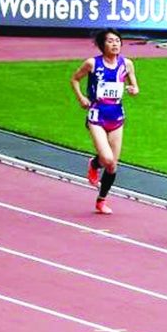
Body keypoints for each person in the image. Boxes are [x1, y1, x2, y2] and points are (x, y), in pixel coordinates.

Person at [70, 29, 138, 215]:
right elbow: (75, 79)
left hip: (116, 116)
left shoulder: (127, 64)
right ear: (102, 45)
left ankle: (101, 200)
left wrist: (133, 89)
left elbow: (134, 85)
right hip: (97, 115)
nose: (115, 44)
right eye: (110, 41)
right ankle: (94, 164)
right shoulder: (93, 63)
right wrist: (81, 98)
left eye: (117, 41)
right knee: (106, 158)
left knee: (112, 165)